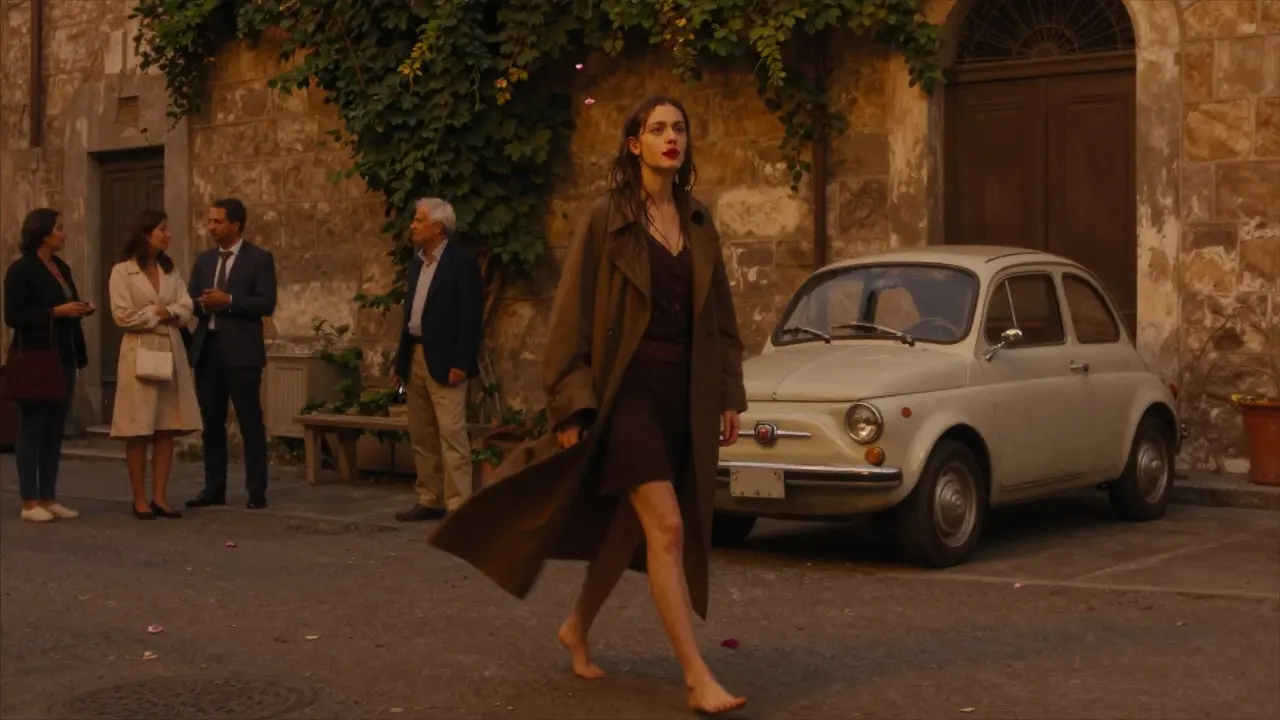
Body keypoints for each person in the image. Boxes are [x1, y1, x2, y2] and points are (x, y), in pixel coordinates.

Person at [430, 96, 749, 714]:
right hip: (624, 391)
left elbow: (721, 319)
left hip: (682, 395)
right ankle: (696, 677)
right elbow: (571, 310)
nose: (671, 137)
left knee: (629, 526)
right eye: (657, 129)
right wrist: (572, 402)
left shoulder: (698, 220)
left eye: (679, 128)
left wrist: (728, 394)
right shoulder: (608, 217)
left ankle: (576, 625)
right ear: (634, 144)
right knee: (668, 527)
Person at [390, 197, 484, 522]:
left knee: (451, 434)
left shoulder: (461, 263)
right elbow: (410, 316)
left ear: (438, 227)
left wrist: (462, 362)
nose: (412, 226)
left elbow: (471, 317)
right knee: (422, 434)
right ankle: (429, 497)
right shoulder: (418, 263)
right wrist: (401, 361)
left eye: (419, 220)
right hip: (417, 355)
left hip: (447, 360)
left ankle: (460, 505)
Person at [107, 210, 203, 520]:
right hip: (138, 352)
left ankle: (160, 497)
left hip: (170, 351)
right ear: (145, 233)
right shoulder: (122, 272)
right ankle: (139, 498)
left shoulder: (170, 270)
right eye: (162, 229)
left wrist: (168, 312)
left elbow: (187, 307)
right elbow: (123, 316)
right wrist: (156, 313)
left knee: (166, 428)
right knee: (138, 429)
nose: (168, 234)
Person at [184, 197, 277, 510]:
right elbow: (190, 299)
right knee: (212, 423)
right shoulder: (205, 260)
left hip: (242, 352)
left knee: (250, 421)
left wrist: (230, 301)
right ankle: (214, 488)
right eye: (209, 221)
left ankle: (256, 489)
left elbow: (266, 303)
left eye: (217, 221)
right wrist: (201, 304)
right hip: (208, 349)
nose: (211, 227)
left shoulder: (259, 259)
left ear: (235, 224)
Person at [2, 208, 93, 523]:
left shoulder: (60, 267)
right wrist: (55, 312)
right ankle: (29, 502)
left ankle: (48, 497)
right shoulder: (22, 270)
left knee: (55, 429)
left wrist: (79, 309)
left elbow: (66, 306)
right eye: (59, 228)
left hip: (64, 355)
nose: (64, 234)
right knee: (33, 428)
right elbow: (14, 316)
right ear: (42, 233)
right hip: (37, 357)